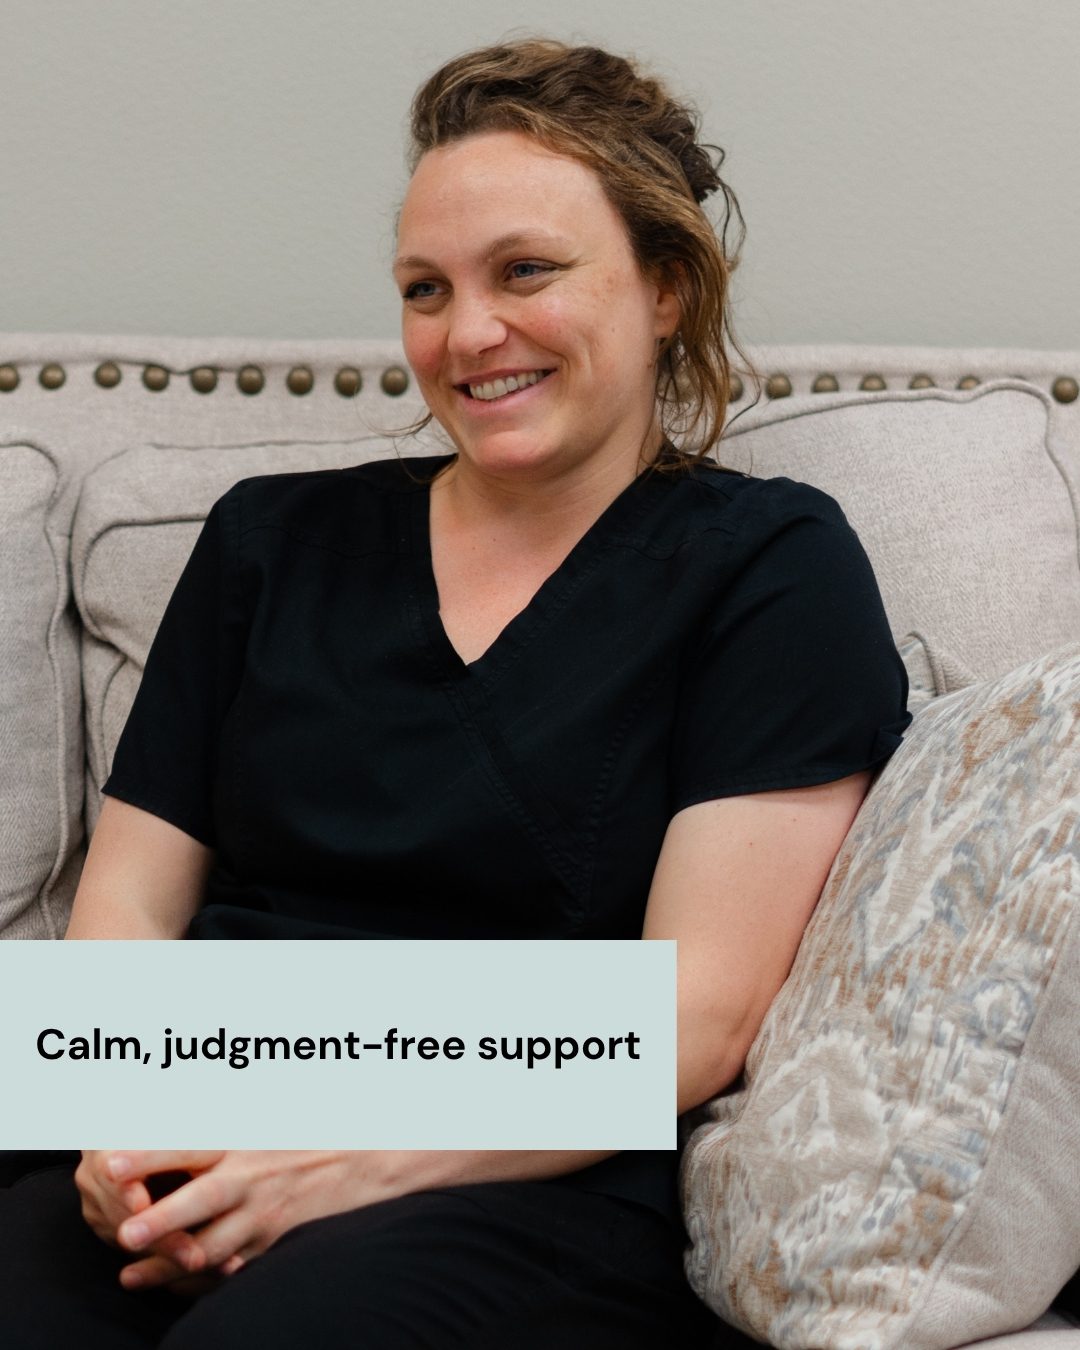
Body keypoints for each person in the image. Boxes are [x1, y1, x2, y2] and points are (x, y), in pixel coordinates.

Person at [0, 37, 911, 1350]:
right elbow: (132, 897)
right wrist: (120, 1120)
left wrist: (337, 1158)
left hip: (520, 1180)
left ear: (664, 287)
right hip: (199, 1122)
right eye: (426, 288)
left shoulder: (770, 569)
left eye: (525, 271)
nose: (467, 331)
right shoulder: (270, 540)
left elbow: (697, 1014)